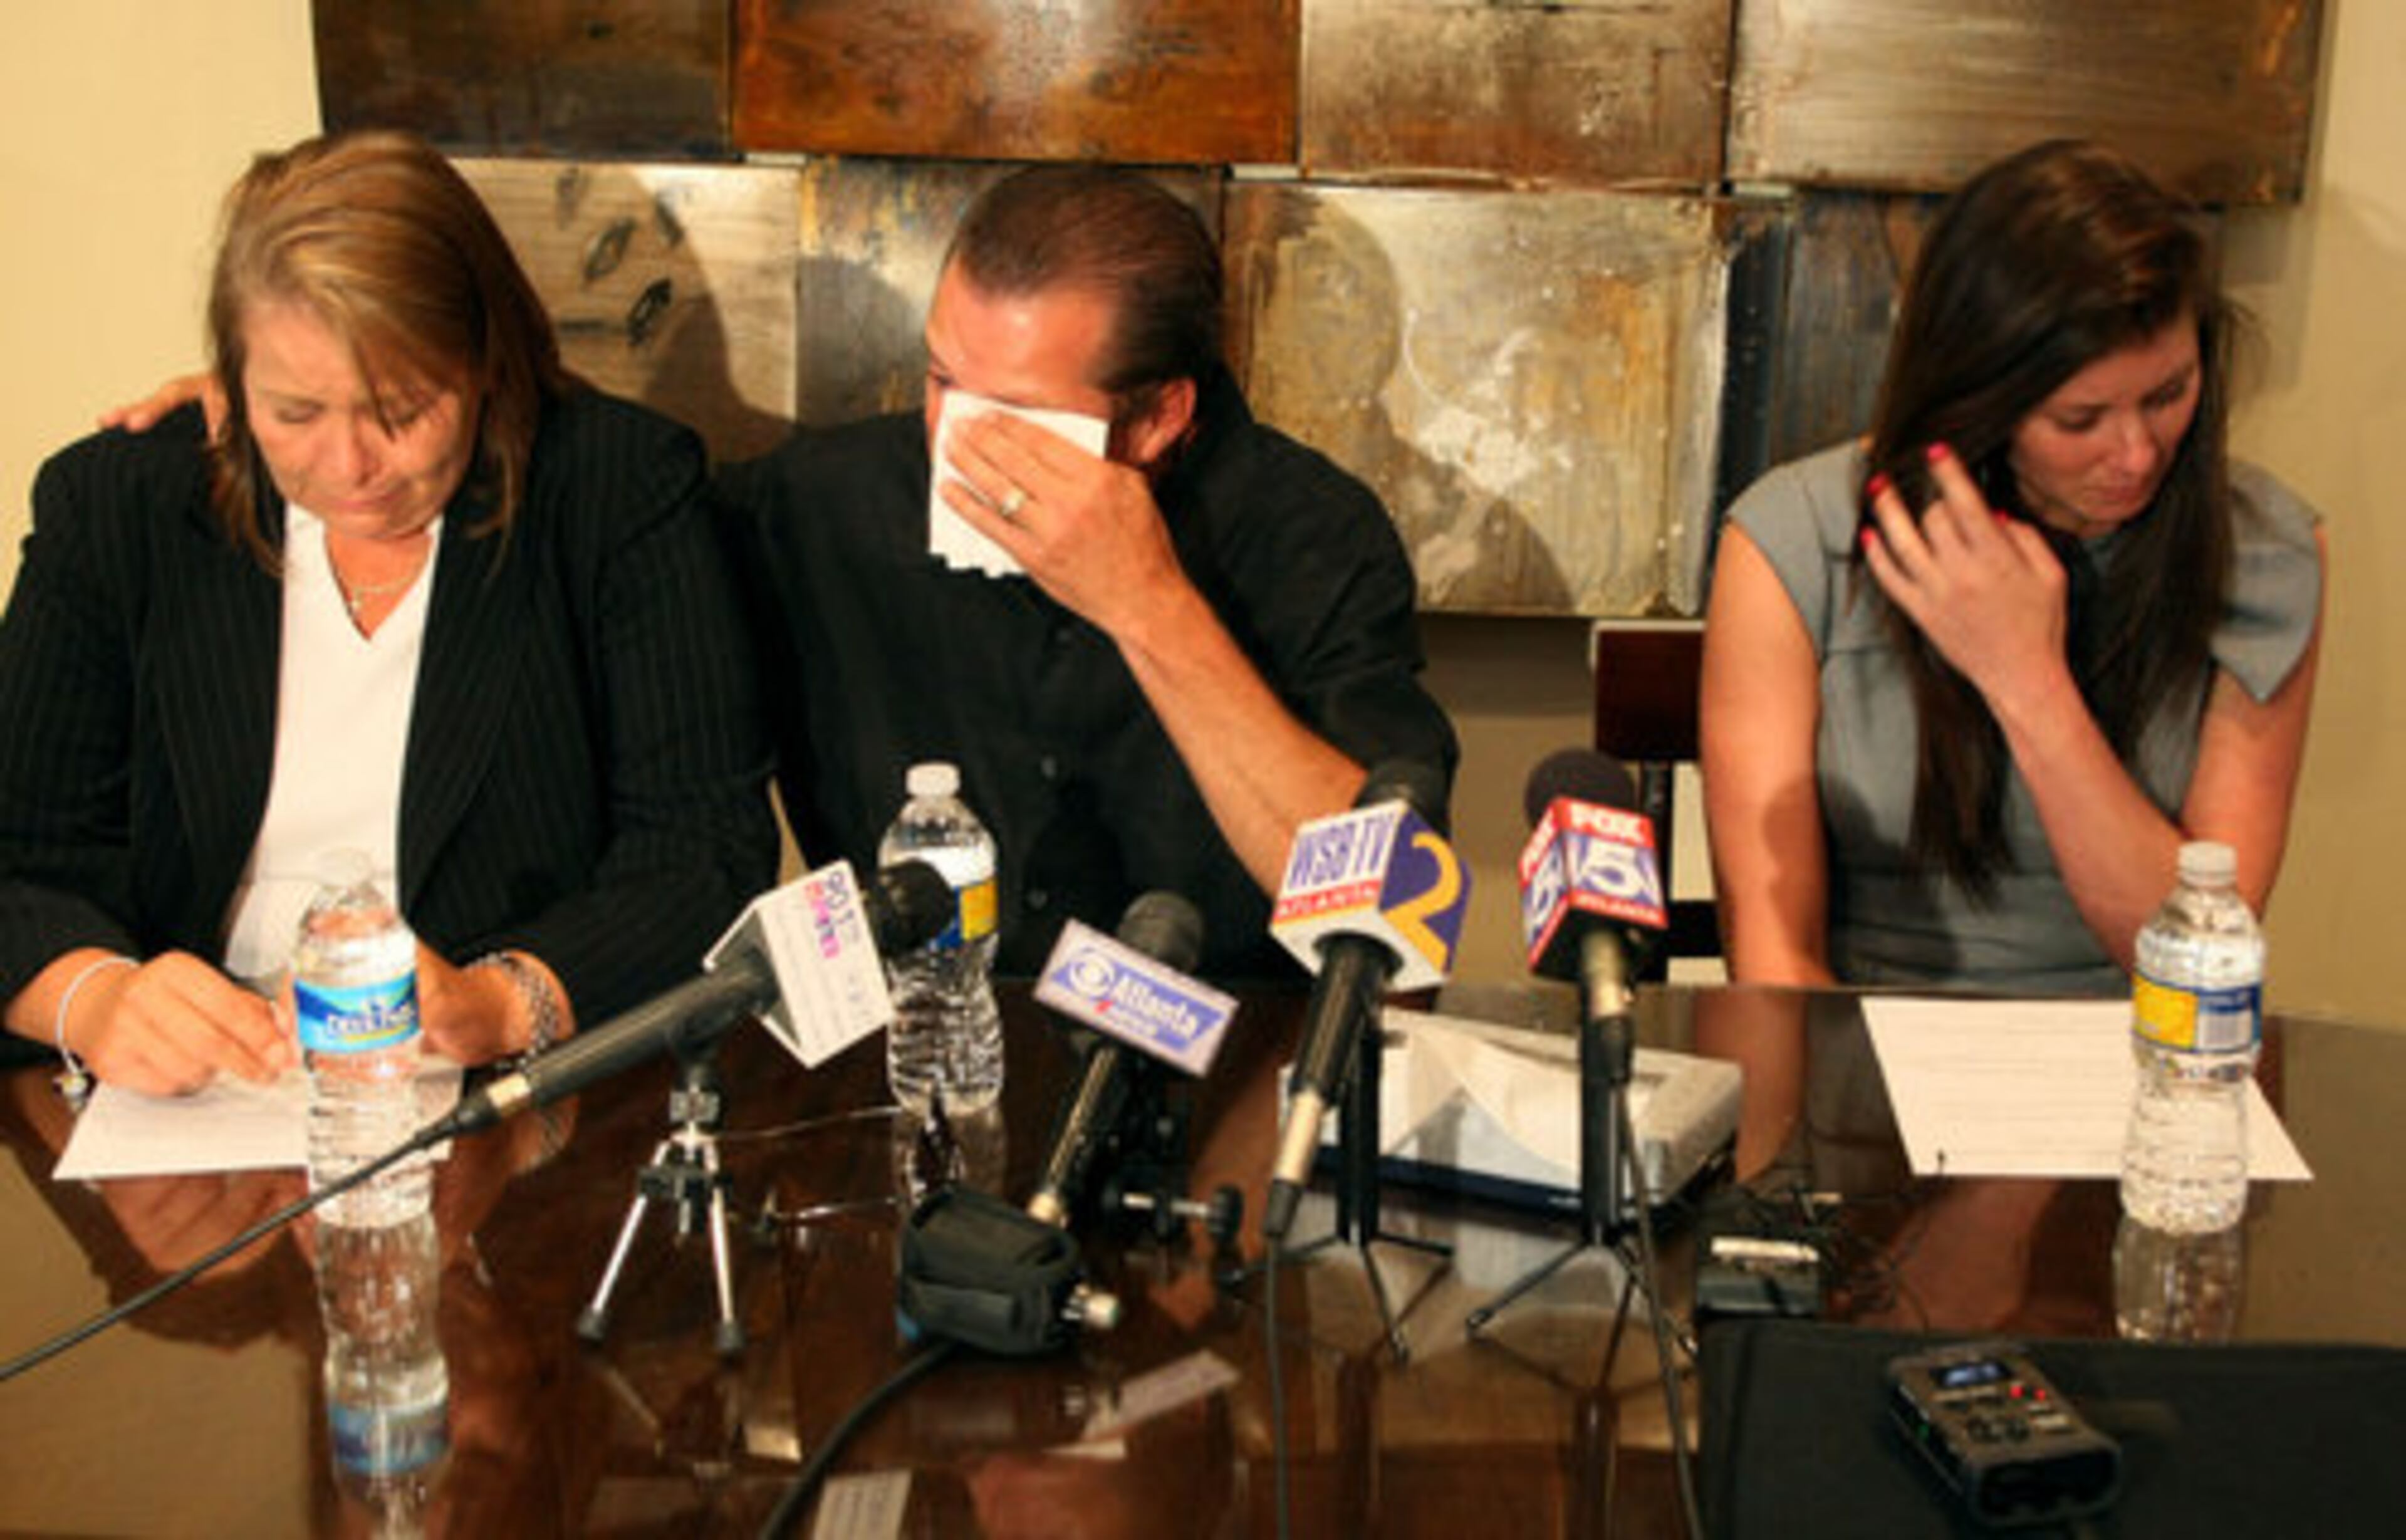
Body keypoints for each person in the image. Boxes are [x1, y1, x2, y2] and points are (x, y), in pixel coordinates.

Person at [0, 130, 777, 1096]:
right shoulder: (121, 507)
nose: (350, 466)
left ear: (487, 361)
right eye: (295, 413)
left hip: (500, 1093)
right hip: (183, 1096)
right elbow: (18, 852)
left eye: (402, 410)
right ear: (233, 378)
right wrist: (92, 997)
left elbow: (703, 854)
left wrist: (504, 1002)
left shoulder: (616, 491)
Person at [715, 164, 1457, 977]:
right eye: (942, 381)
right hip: (930, 1030)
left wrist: (1149, 604)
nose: (955, 442)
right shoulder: (816, 505)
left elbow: (1401, 921)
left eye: (1012, 416)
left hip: (1238, 1038)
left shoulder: (1312, 533)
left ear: (1159, 418)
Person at [1700, 139, 2323, 994]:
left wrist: (2027, 680)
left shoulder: (2264, 550)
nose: (2137, 453)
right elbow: (1775, 963)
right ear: (1979, 400)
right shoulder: (1791, 539)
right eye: (2080, 420)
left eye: (2168, 394)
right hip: (1861, 1047)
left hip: (2146, 1049)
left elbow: (2200, 966)